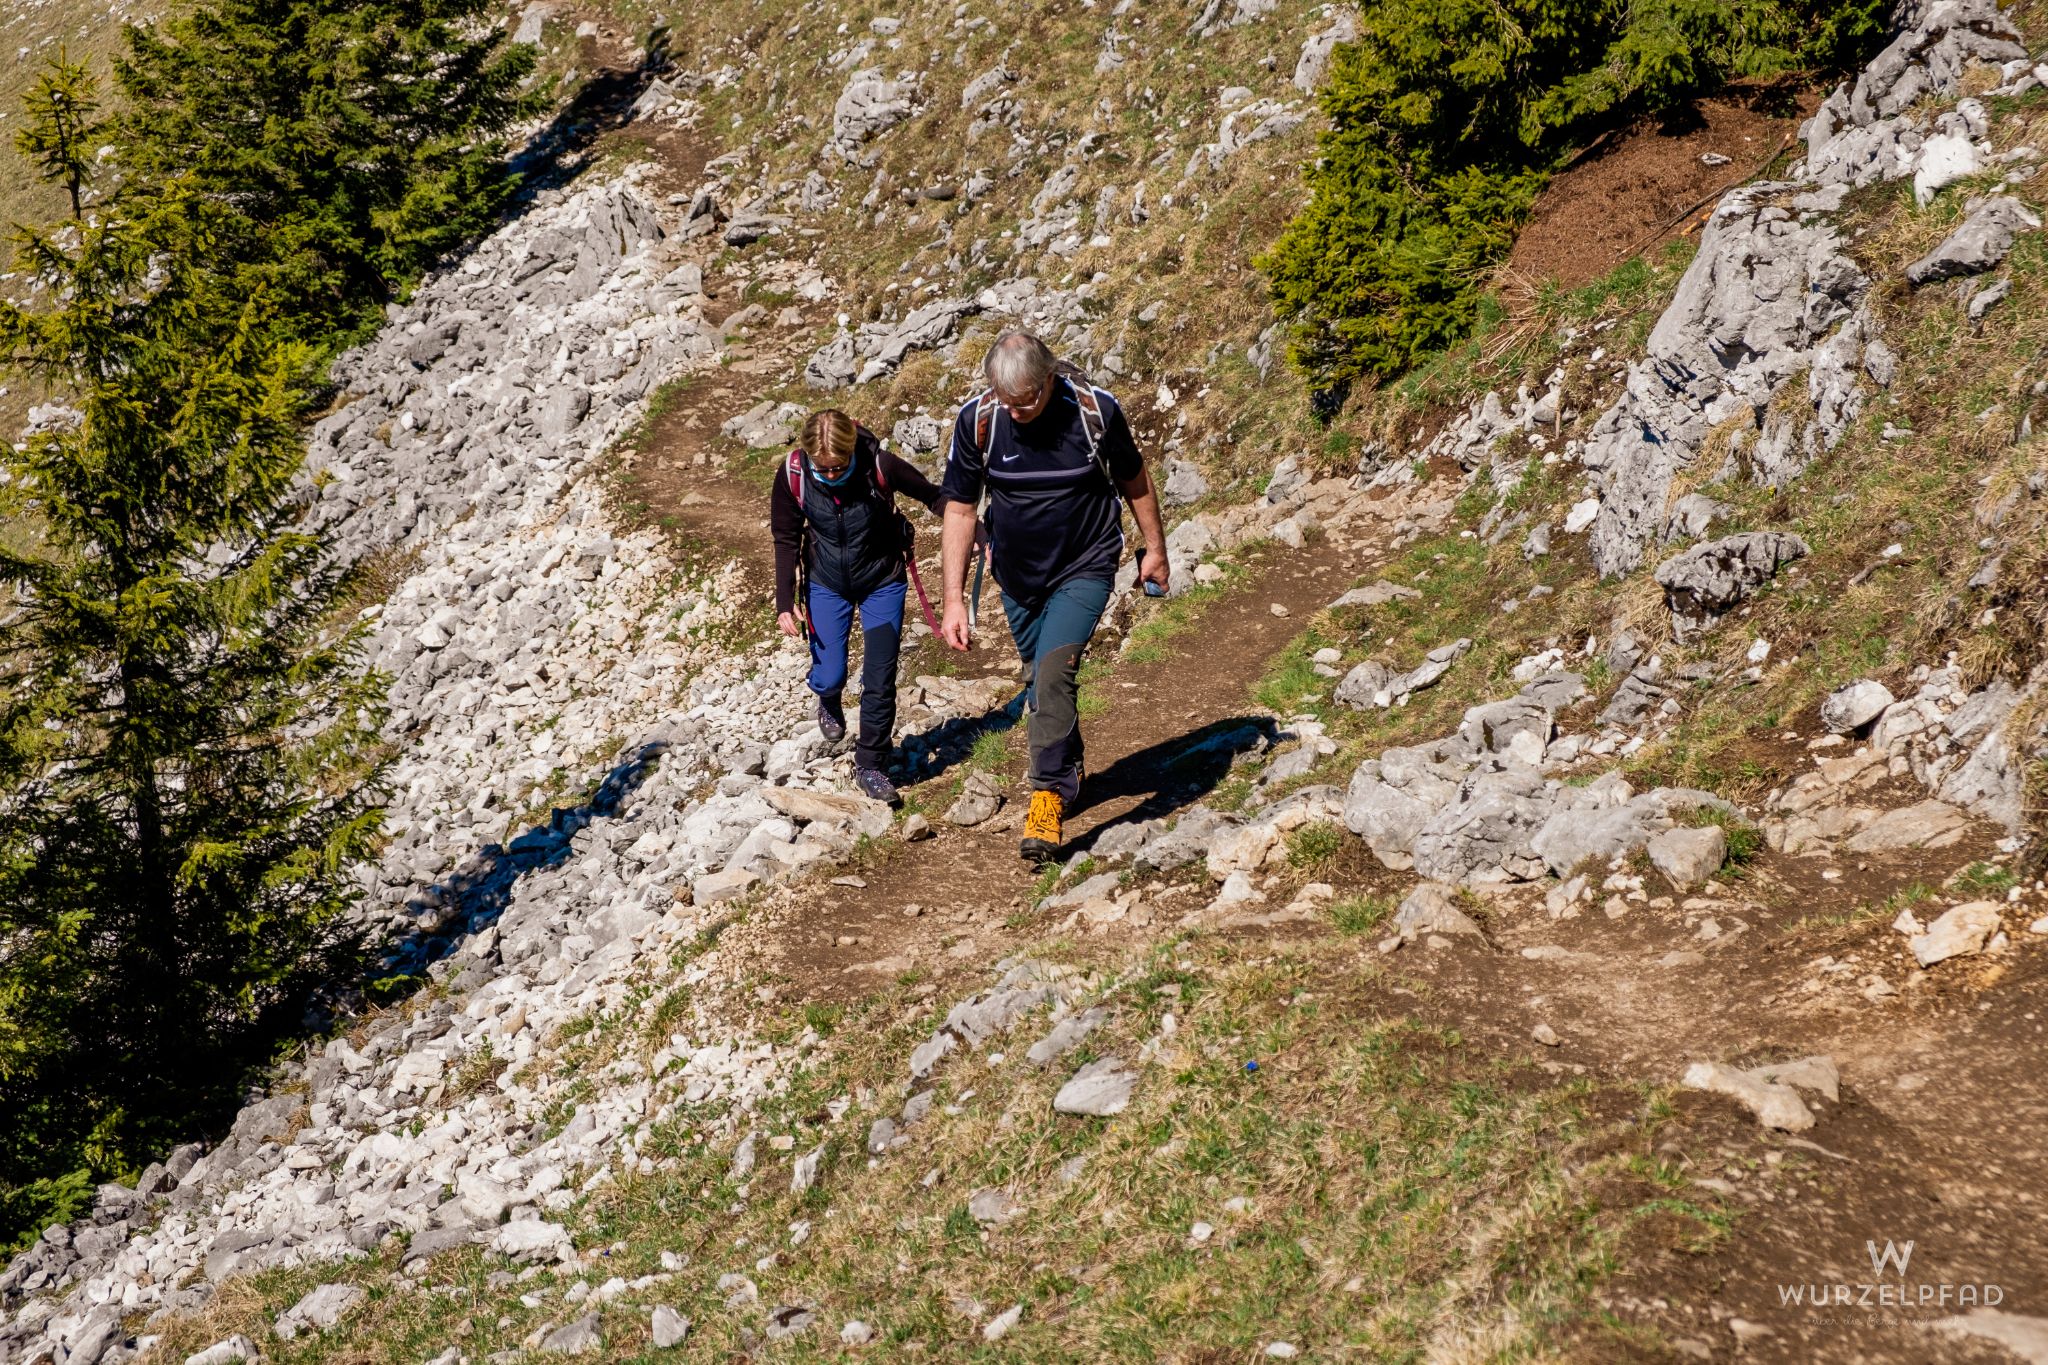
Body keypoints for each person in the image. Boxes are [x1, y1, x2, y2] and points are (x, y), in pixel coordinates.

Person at [938, 330, 1169, 862]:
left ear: (1050, 379)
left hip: (1086, 565)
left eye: (1028, 401)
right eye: (1006, 401)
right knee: (1038, 678)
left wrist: (1154, 549)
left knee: (1053, 673)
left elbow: (1134, 479)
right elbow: (960, 509)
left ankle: (1046, 799)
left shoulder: (1094, 411)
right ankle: (1068, 766)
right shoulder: (980, 420)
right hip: (1017, 576)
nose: (1017, 412)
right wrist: (954, 599)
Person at [771, 408, 946, 805]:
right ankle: (828, 696)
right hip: (825, 583)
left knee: (880, 679)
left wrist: (972, 526)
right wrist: (785, 602)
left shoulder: (879, 465)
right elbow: (785, 537)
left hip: (882, 581)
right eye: (824, 468)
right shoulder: (794, 474)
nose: (831, 475)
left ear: (852, 452)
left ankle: (870, 765)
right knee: (830, 674)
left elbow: (934, 495)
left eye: (839, 467)